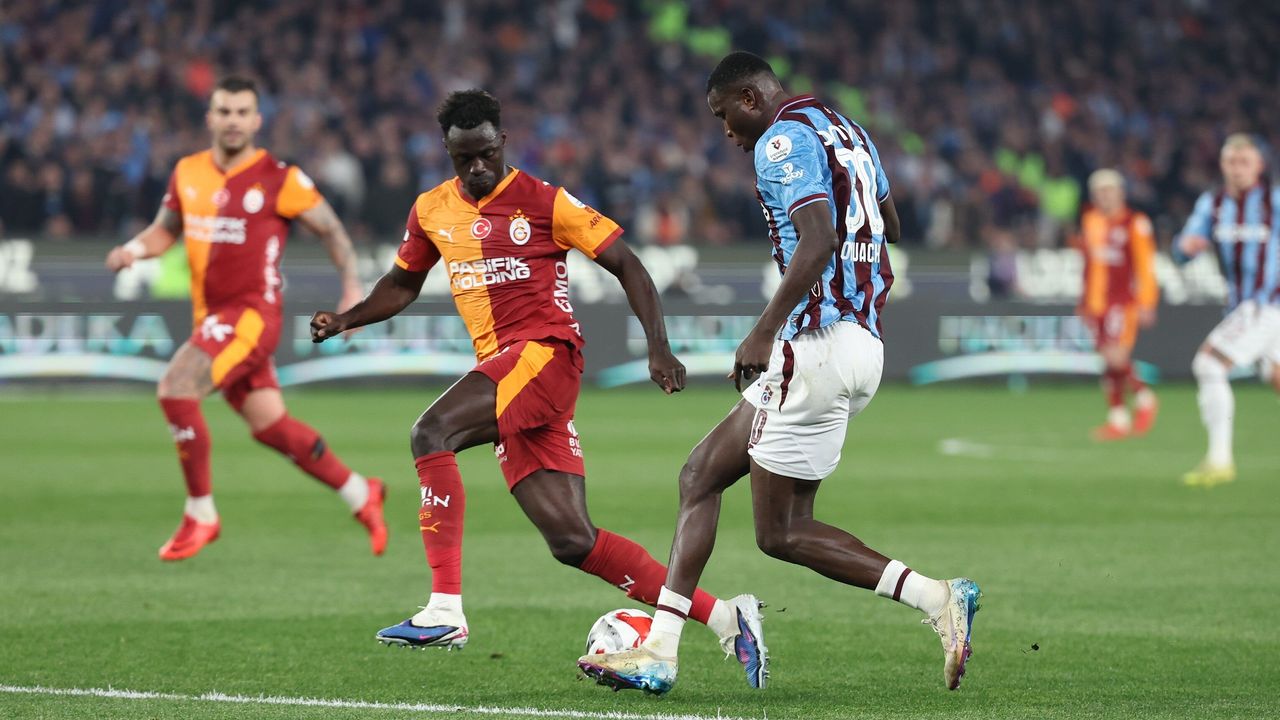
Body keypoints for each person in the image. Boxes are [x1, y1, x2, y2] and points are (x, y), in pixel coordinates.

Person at [308, 90, 765, 685]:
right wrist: (346, 319)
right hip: (508, 373)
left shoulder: (546, 201)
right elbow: (401, 284)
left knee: (431, 433)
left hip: (545, 356)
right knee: (573, 541)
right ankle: (728, 617)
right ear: (447, 151)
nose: (477, 167)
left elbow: (628, 264)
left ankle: (444, 609)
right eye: (464, 158)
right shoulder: (430, 210)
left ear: (503, 142)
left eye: (486, 154)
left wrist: (658, 346)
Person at [578, 52, 981, 695]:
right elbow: (892, 225)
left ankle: (936, 597)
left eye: (725, 117)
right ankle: (664, 646)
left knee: (778, 530)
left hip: (815, 345)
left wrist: (765, 328)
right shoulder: (848, 130)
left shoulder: (781, 139)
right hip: (863, 344)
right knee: (705, 477)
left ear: (750, 98)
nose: (728, 134)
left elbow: (817, 239)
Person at [104, 76, 387, 562]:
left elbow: (333, 231)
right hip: (211, 318)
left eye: (241, 112)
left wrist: (352, 291)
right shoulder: (188, 172)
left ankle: (201, 514)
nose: (232, 120)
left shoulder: (280, 178)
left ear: (256, 121)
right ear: (210, 118)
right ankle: (361, 492)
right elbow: (164, 231)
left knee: (176, 389)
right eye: (224, 111)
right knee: (270, 424)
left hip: (251, 316)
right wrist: (132, 250)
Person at [1175, 134, 1280, 486]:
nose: (1237, 169)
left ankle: (1220, 460)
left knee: (1209, 363)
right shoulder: (1213, 203)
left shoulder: (1274, 201)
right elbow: (1183, 247)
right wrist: (1185, 247)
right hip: (1243, 306)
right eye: (1231, 162)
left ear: (1259, 166)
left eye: (1244, 162)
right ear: (1222, 165)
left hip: (1265, 304)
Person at [1077, 169, 1159, 440]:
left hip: (1123, 301)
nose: (1104, 196)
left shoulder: (1135, 223)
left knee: (1116, 357)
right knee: (1108, 361)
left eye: (1109, 190)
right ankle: (1118, 419)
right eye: (1099, 192)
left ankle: (1145, 397)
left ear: (1121, 193)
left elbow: (1145, 265)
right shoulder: (1091, 221)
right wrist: (1083, 301)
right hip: (1096, 302)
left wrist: (1148, 301)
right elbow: (1088, 265)